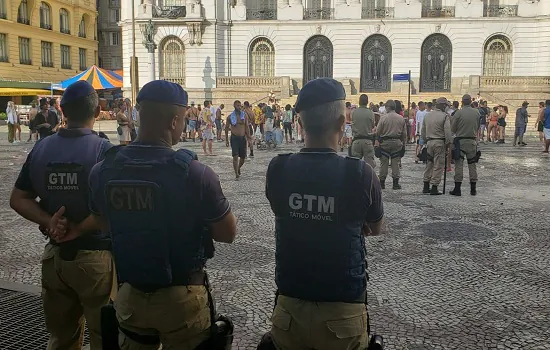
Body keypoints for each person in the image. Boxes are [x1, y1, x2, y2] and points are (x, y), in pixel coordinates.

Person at [55, 80, 237, 349]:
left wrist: (75, 228)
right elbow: (227, 233)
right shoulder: (196, 174)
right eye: (184, 119)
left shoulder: (104, 170)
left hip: (131, 295)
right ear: (174, 120)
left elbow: (102, 221)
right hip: (182, 297)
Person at [265, 78, 384, 350]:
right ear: (343, 123)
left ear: (299, 123)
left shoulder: (278, 169)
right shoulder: (360, 173)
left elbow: (279, 209)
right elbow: (375, 228)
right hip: (343, 311)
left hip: (290, 309)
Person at [9, 81, 116, 349]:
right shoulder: (104, 151)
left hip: (55, 260)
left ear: (63, 111)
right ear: (98, 110)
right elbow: (110, 210)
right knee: (105, 338)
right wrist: (78, 229)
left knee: (60, 338)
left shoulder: (42, 149)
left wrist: (49, 221)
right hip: (95, 259)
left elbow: (18, 198)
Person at [421, 97, 452, 195]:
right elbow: (447, 131)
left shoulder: (427, 115)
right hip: (439, 142)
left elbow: (423, 130)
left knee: (429, 164)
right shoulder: (444, 116)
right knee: (438, 165)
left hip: (429, 142)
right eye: (446, 105)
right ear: (443, 105)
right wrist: (448, 143)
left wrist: (426, 140)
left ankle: (426, 185)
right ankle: (434, 187)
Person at [450, 94, 480, 196]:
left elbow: (453, 128)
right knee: (472, 165)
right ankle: (473, 189)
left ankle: (457, 189)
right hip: (472, 141)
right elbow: (478, 126)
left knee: (459, 165)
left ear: (462, 102)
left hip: (461, 142)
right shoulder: (476, 112)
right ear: (471, 101)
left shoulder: (458, 113)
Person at [375, 100, 407, 190]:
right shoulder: (401, 118)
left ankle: (382, 183)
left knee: (384, 163)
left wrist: (377, 142)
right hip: (397, 143)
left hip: (385, 143)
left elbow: (378, 132)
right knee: (395, 163)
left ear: (388, 107)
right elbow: (404, 134)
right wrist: (403, 145)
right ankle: (395, 184)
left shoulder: (383, 118)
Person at [226, 100, 251, 179]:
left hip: (242, 138)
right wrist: (226, 140)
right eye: (237, 106)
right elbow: (226, 128)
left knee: (243, 158)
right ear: (234, 106)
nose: (239, 107)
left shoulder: (244, 116)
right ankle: (236, 173)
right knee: (235, 156)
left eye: (240, 106)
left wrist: (249, 138)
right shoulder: (230, 117)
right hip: (234, 138)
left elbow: (247, 127)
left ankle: (238, 167)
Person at [350, 94, 376, 168]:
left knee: (355, 166)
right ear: (367, 102)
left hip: (356, 141)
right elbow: (373, 125)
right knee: (370, 166)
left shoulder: (354, 112)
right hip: (367, 141)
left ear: (359, 101)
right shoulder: (370, 112)